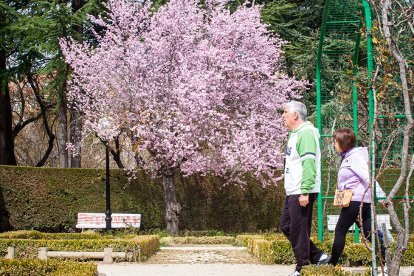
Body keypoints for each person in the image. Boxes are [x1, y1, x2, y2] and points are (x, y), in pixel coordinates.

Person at [281, 101, 330, 276]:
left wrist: (305, 191)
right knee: (286, 225)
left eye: (285, 112)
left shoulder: (306, 134)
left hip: (302, 190)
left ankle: (303, 267)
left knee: (298, 229)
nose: (283, 115)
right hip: (293, 190)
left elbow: (308, 163)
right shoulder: (295, 134)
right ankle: (318, 256)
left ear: (295, 115)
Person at [328, 128, 386, 273]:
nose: (334, 144)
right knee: (368, 232)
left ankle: (330, 266)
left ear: (343, 142)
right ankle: (386, 262)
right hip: (363, 201)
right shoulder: (350, 155)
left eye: (335, 141)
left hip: (355, 200)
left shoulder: (354, 157)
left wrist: (381, 195)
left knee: (340, 230)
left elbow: (367, 176)